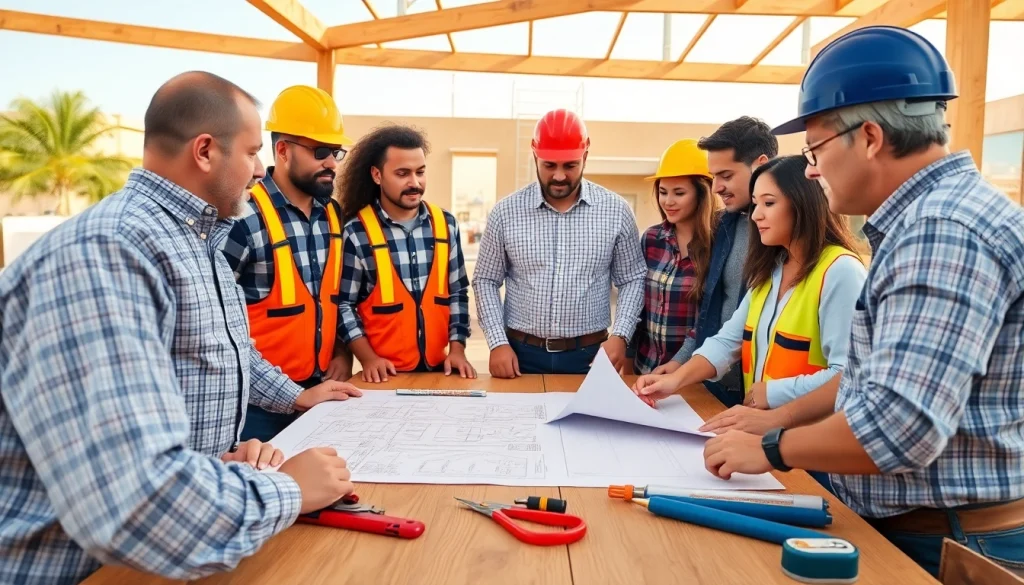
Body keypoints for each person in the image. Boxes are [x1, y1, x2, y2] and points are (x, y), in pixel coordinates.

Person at [0, 72, 362, 585]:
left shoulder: (198, 242)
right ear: (206, 151)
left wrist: (225, 461)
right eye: (254, 152)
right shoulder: (110, 253)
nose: (260, 171)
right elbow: (134, 502)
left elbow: (224, 352)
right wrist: (289, 490)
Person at [689, 26, 1024, 576]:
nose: (812, 169)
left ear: (869, 136)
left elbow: (901, 425)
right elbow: (873, 377)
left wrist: (774, 448)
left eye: (816, 149)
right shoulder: (927, 221)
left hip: (944, 539)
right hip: (922, 524)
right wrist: (776, 424)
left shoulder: (942, 230)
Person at [222, 85, 357, 442]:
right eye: (321, 151)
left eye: (336, 152)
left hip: (320, 393)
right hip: (256, 411)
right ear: (282, 150)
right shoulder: (243, 218)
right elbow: (219, 326)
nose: (331, 163)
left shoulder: (332, 214)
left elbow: (334, 297)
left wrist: (342, 350)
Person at [472, 108, 646, 377]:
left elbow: (632, 278)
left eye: (570, 165)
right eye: (549, 165)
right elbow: (485, 280)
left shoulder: (616, 211)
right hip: (518, 355)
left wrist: (620, 336)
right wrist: (497, 343)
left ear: (585, 156)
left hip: (591, 356)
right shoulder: (505, 213)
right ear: (535, 155)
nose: (560, 176)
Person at [651, 117, 779, 408]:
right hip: (714, 384)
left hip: (763, 397)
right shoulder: (725, 227)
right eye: (714, 177)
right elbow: (714, 314)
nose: (717, 187)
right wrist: (682, 363)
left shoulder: (785, 239)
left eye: (725, 175)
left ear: (760, 165)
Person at [335, 123, 476, 382]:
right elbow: (343, 304)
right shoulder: (357, 232)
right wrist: (367, 358)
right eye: (402, 173)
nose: (415, 183)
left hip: (439, 371)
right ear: (377, 175)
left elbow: (458, 293)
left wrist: (457, 349)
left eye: (420, 172)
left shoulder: (446, 224)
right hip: (382, 376)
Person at [631, 139, 720, 374]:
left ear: (703, 194)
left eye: (679, 193)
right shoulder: (651, 239)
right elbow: (638, 307)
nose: (668, 201)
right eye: (662, 192)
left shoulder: (720, 245)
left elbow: (711, 320)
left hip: (691, 377)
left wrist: (678, 367)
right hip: (644, 370)